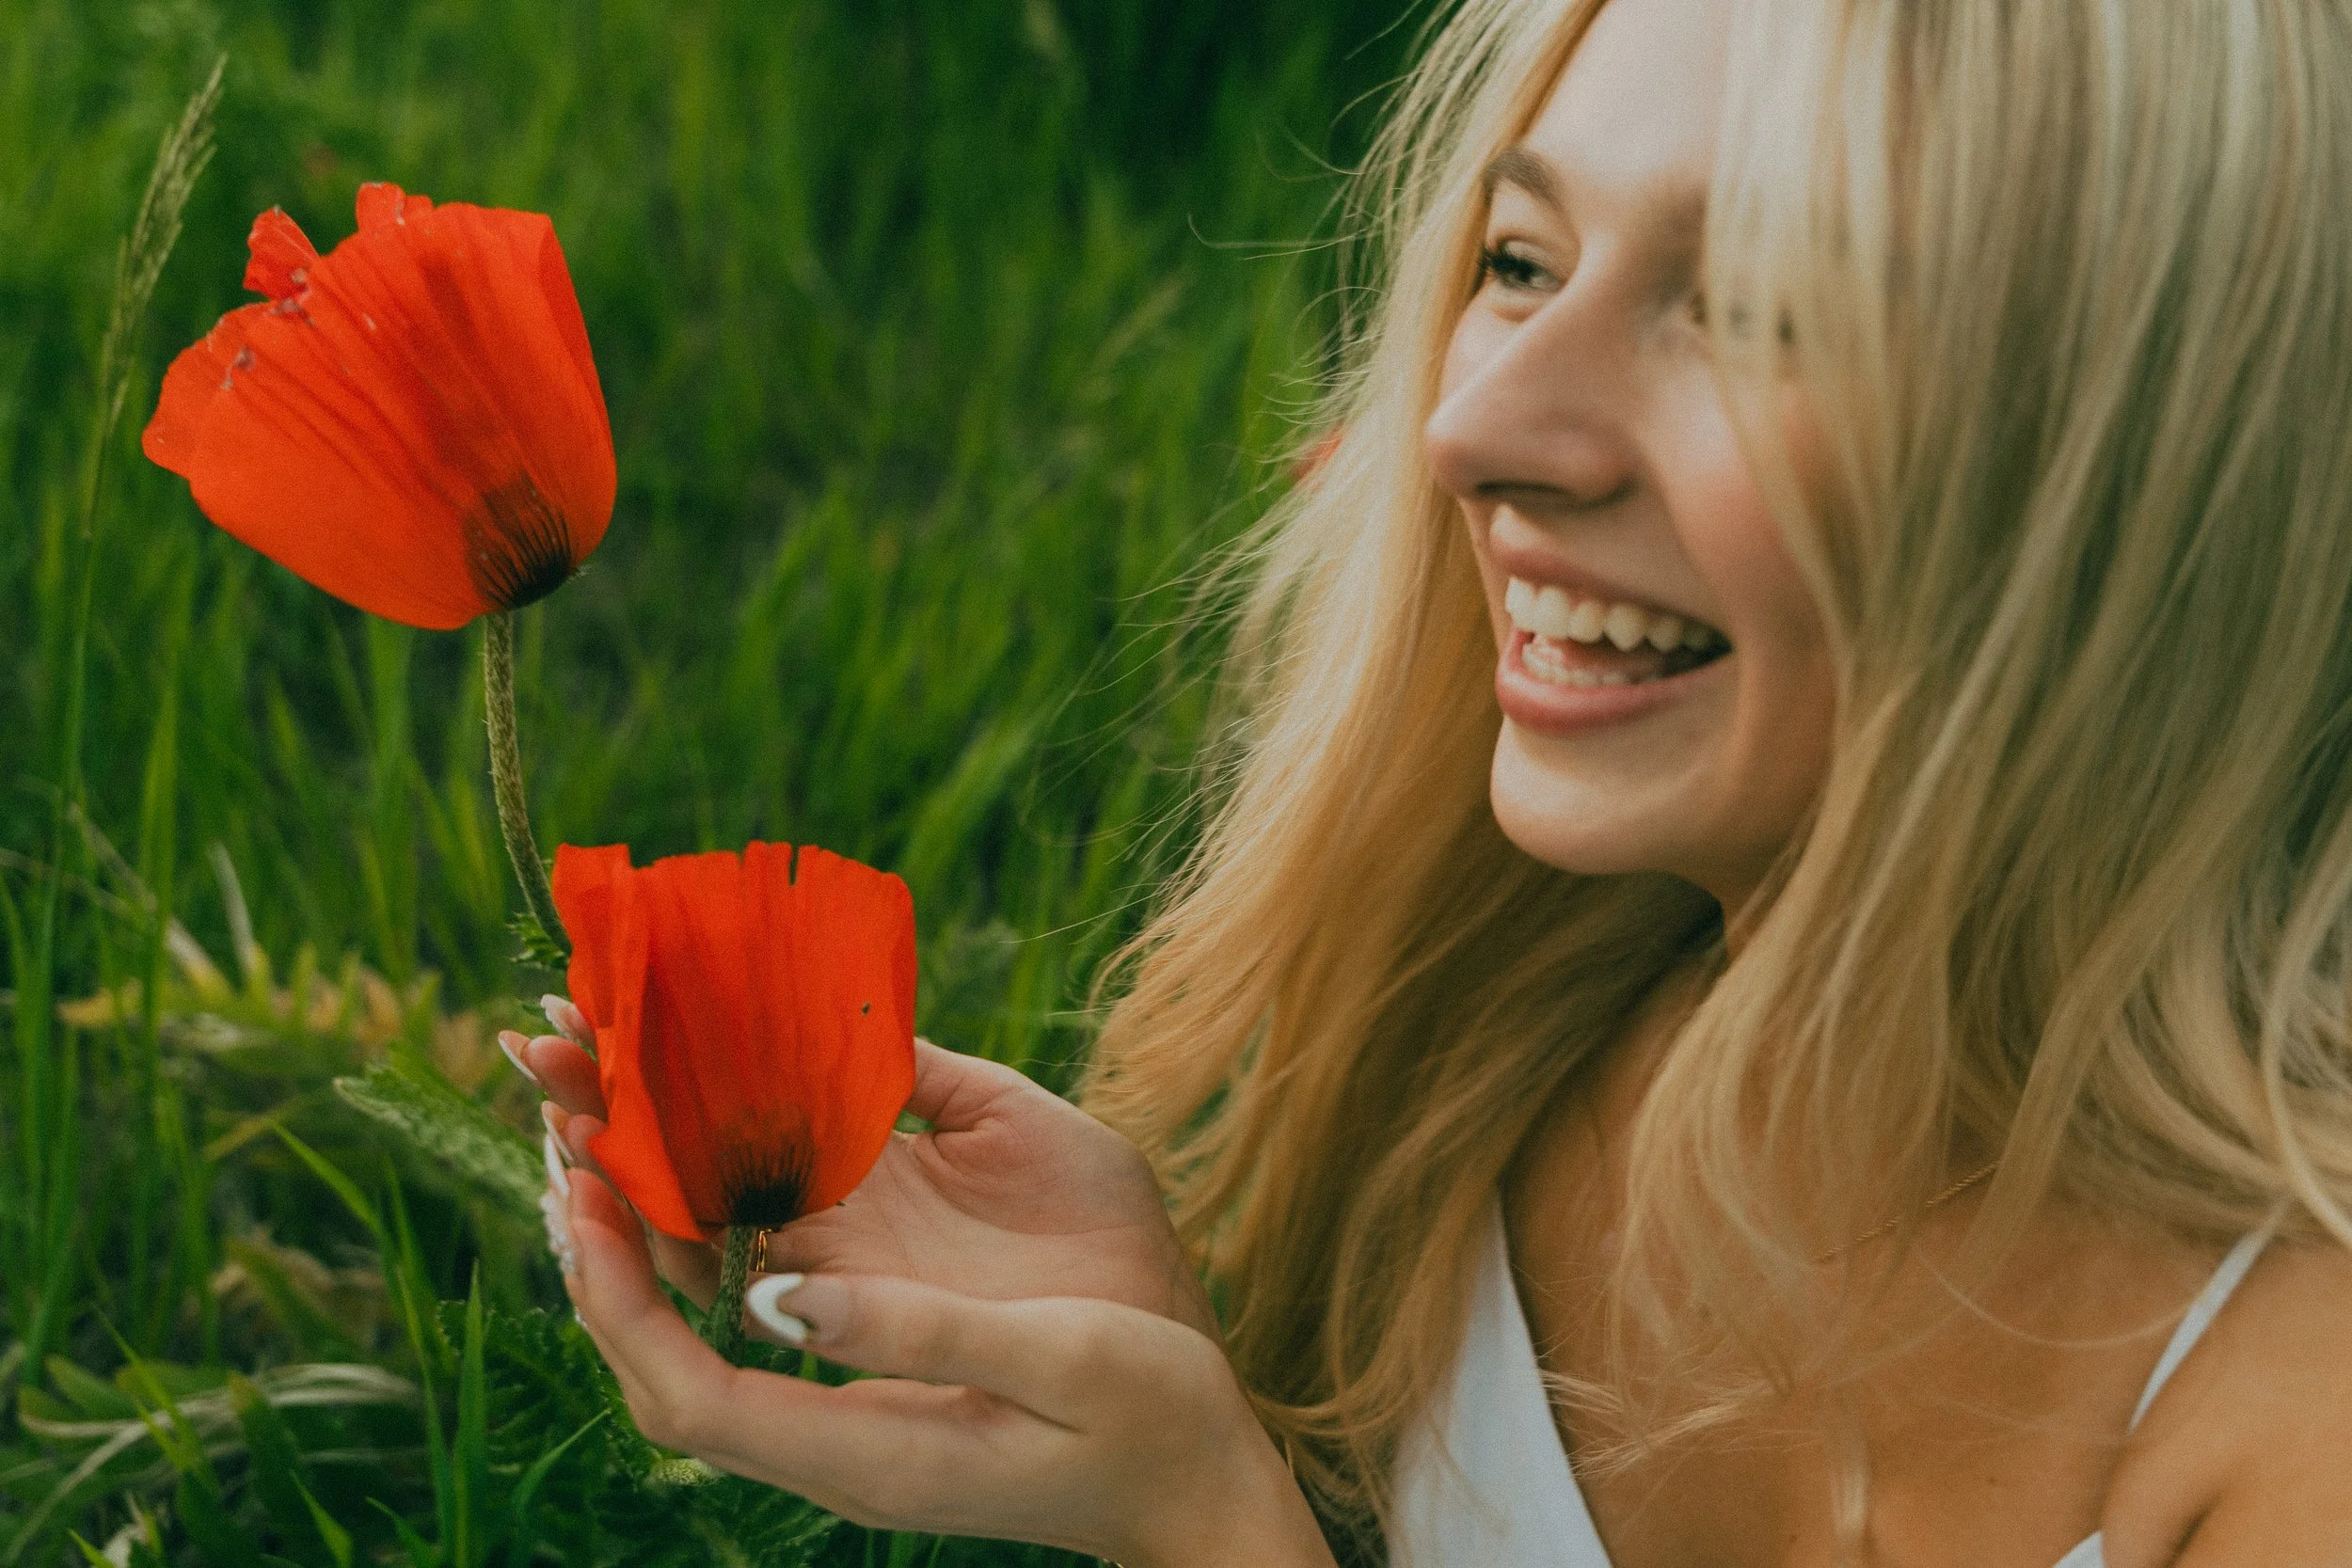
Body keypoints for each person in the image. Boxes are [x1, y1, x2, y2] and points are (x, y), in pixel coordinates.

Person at [501, 0, 2352, 1561]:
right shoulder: (1486, 1023)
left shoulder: (2292, 1413)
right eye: (1519, 260)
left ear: (2155, 475)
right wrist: (1177, 1361)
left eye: (1769, 306)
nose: (1471, 430)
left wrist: (1219, 1528)